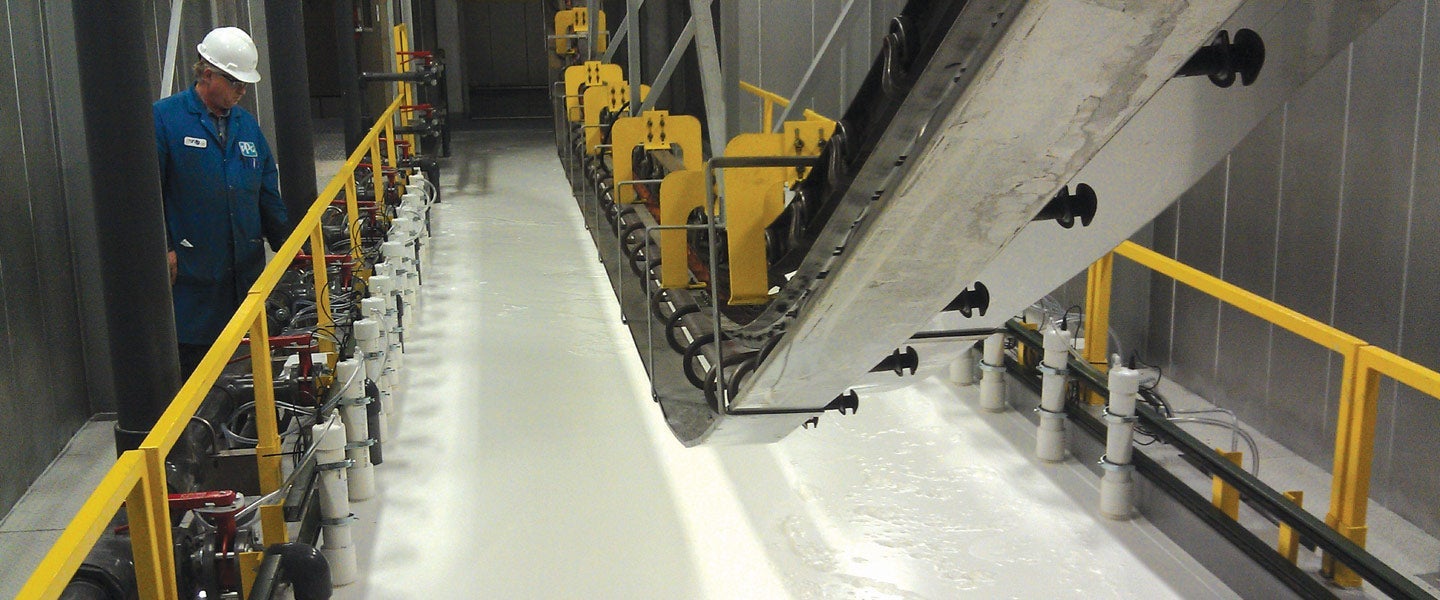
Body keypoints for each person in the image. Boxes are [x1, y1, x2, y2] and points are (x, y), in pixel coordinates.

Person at [155, 27, 289, 377]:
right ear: (207, 73)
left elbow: (266, 192)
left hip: (244, 273)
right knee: (196, 374)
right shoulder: (165, 119)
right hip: (193, 274)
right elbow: (145, 195)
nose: (242, 91)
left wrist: (293, 249)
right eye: (235, 82)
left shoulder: (246, 126)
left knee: (248, 368)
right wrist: (164, 247)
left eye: (245, 84)